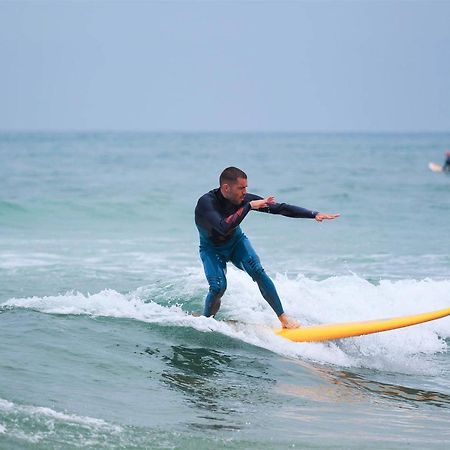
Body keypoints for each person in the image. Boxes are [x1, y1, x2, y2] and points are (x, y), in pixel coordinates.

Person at [194, 167, 339, 329]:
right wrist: (248, 207)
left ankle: (284, 319)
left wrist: (313, 214)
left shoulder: (243, 200)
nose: (245, 192)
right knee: (218, 286)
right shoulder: (206, 203)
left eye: (246, 187)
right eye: (241, 188)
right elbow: (223, 227)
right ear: (226, 188)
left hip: (236, 243)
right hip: (212, 249)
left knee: (257, 270)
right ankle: (206, 322)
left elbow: (280, 208)